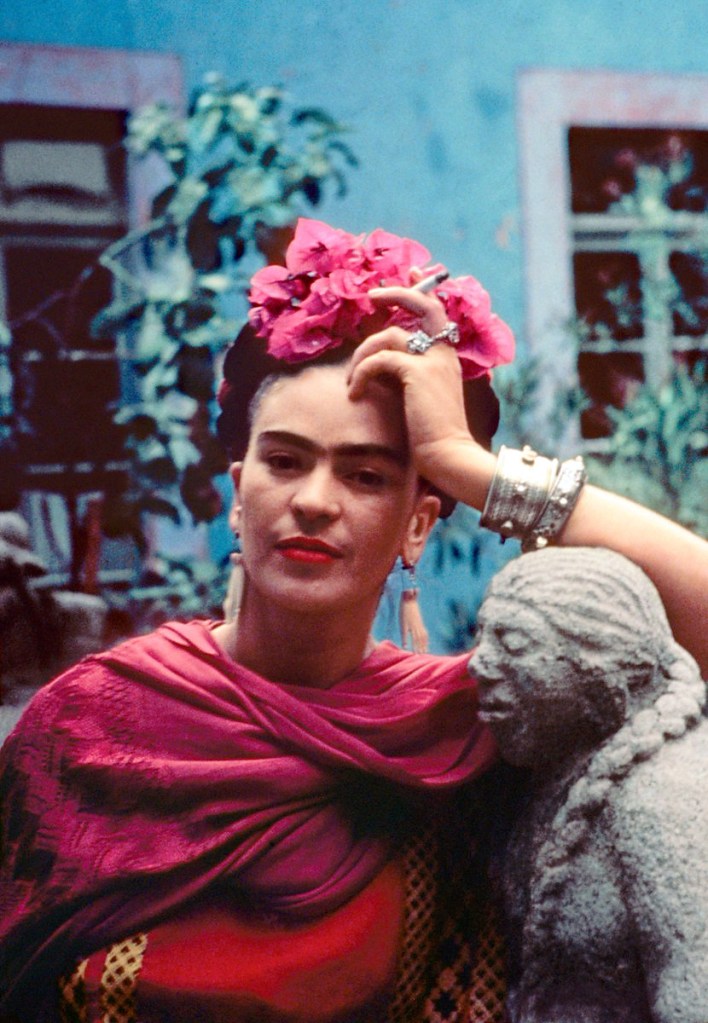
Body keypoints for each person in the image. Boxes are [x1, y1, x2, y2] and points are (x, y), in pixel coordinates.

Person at [0, 218, 706, 1023]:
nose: (312, 500)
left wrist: (467, 464)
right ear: (238, 495)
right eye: (284, 461)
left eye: (365, 475)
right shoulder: (88, 727)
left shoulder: (459, 736)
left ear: (418, 525)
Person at [469, 546, 708, 1021]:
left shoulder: (663, 801)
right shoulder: (551, 770)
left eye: (513, 642)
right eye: (483, 636)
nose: (478, 663)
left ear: (604, 663)